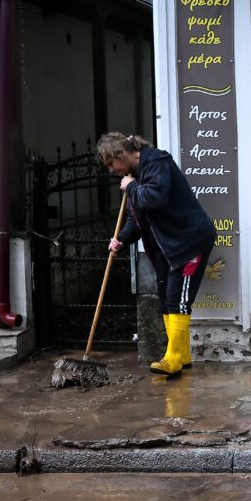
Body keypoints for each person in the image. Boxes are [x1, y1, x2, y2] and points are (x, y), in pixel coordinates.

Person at [97, 133, 217, 377]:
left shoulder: (156, 163)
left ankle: (172, 359)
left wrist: (131, 186)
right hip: (166, 247)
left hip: (189, 241)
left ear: (121, 154)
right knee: (166, 299)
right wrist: (121, 239)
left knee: (178, 299)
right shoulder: (133, 178)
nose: (112, 170)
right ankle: (181, 355)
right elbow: (137, 220)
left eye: (111, 164)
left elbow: (155, 198)